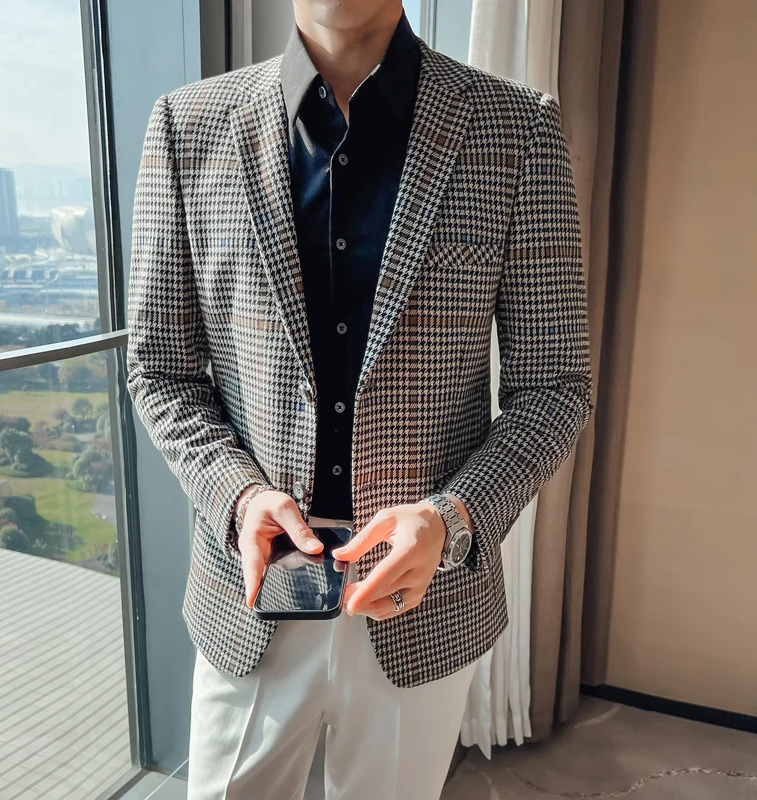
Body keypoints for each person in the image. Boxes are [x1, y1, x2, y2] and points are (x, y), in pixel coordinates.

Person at [125, 0, 594, 797]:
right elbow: (161, 368)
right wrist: (238, 496)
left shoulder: (516, 130)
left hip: (423, 602)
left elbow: (554, 385)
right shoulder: (186, 126)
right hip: (252, 593)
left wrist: (452, 519)